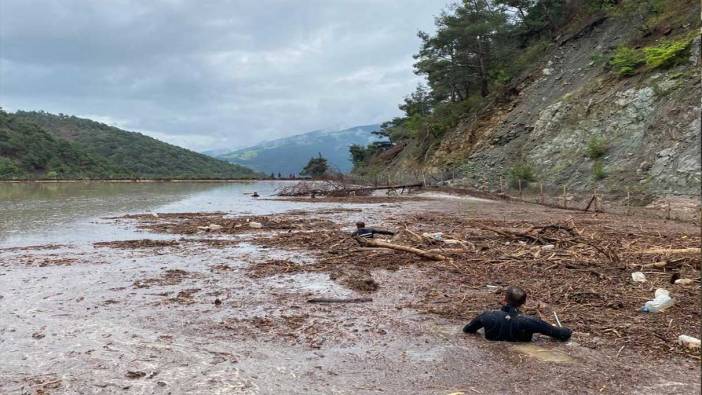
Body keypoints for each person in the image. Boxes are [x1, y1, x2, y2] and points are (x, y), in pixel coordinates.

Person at [463, 286, 571, 342]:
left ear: (504, 299)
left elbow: (467, 330)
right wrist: (565, 329)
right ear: (524, 302)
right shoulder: (531, 322)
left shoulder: (487, 316)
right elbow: (562, 334)